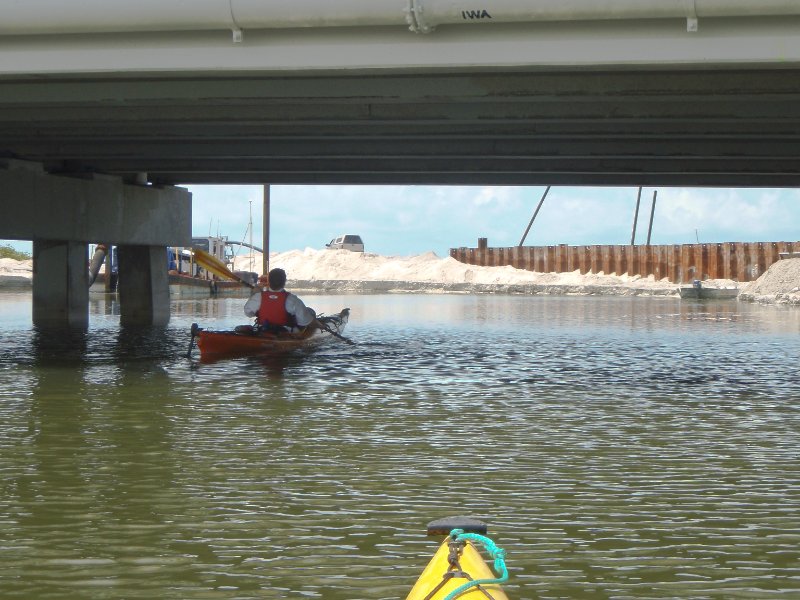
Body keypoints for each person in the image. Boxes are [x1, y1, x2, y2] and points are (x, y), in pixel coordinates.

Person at [243, 268, 319, 332]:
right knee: (310, 312)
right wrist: (319, 325)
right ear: (284, 282)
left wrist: (254, 295)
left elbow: (248, 313)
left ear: (268, 281)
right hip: (285, 333)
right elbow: (304, 322)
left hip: (261, 330)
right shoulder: (293, 300)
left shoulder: (257, 297)